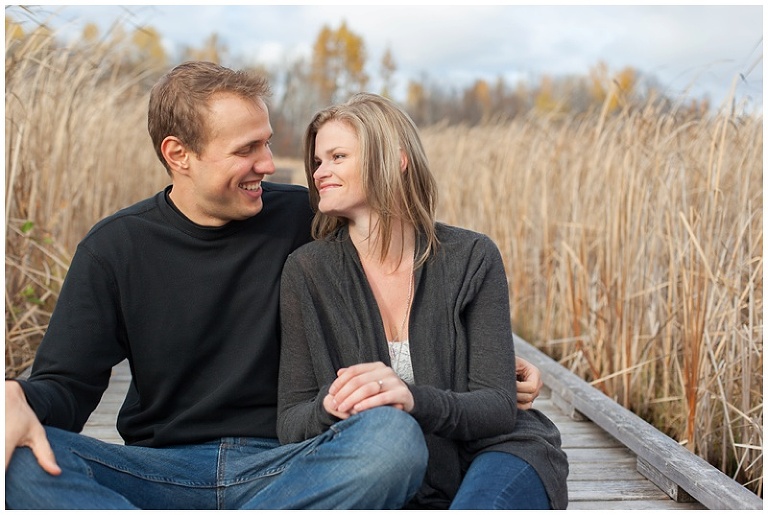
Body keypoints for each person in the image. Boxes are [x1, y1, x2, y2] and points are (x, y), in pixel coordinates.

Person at [4, 61, 542, 509]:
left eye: (268, 143)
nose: (271, 164)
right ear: (178, 155)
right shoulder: (113, 249)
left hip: (291, 466)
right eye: (247, 150)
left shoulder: (307, 216)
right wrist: (15, 396)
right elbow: (66, 389)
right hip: (160, 472)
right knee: (19, 458)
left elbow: (396, 231)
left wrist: (494, 365)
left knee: (391, 441)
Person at [277, 92, 569, 509]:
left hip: (496, 450)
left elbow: (499, 406)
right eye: (318, 161)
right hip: (383, 463)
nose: (321, 171)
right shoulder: (307, 272)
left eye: (338, 156)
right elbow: (290, 422)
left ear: (394, 160)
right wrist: (331, 404)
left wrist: (411, 398)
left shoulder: (472, 256)